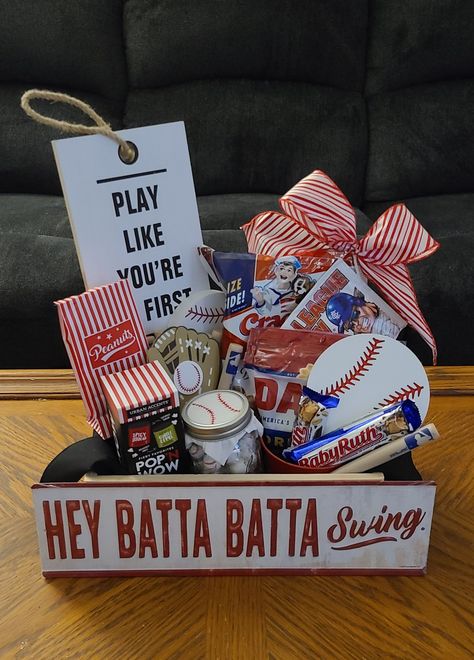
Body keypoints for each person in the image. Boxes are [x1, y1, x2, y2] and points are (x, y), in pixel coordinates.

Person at [325, 291, 402, 338]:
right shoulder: (367, 341)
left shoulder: (386, 305)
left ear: (359, 302)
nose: (357, 325)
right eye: (351, 326)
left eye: (355, 315)